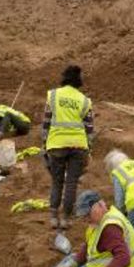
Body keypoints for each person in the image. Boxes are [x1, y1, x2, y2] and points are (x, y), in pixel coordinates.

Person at [16, 190, 134, 267]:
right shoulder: (103, 218)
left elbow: (123, 258)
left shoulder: (110, 227)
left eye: (87, 214)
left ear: (100, 205)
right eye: (83, 216)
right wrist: (72, 265)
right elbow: (88, 247)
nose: (85, 219)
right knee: (72, 259)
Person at [43, 65, 94, 230]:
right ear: (79, 80)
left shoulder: (53, 95)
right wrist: (89, 149)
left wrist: (44, 143)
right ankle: (65, 219)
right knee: (71, 183)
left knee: (57, 182)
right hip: (78, 145)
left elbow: (46, 122)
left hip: (56, 144)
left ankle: (53, 217)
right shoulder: (85, 100)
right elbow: (89, 128)